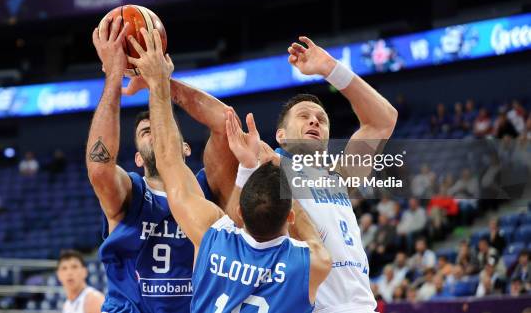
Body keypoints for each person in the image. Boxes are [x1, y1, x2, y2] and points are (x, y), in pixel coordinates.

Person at [126, 27, 332, 313]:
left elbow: (168, 161)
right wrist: (265, 166)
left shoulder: (213, 237)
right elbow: (314, 240)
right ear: (290, 215)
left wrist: (158, 84)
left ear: (238, 213)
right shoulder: (311, 264)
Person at [229, 36, 398, 313]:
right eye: (304, 116)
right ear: (280, 136)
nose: (314, 121)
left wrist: (331, 68)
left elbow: (384, 121)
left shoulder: (339, 177)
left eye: (321, 119)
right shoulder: (269, 166)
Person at [87, 15, 239, 313]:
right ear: (138, 157)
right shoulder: (130, 191)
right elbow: (99, 167)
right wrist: (114, 79)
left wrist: (164, 83)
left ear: (182, 147)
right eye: (146, 132)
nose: (156, 134)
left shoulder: (205, 188)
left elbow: (226, 124)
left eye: (160, 130)